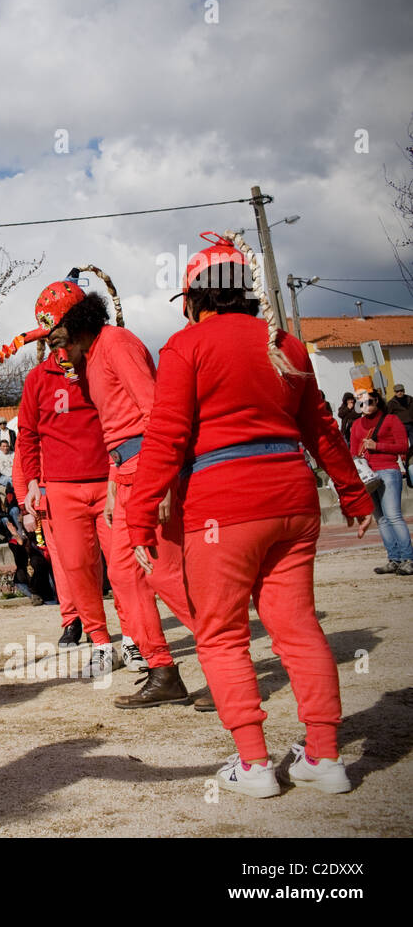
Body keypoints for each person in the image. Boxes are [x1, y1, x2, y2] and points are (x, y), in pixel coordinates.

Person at [128, 230, 374, 798]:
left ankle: (255, 765)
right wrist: (353, 493)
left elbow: (165, 439)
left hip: (222, 503)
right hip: (293, 494)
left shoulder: (185, 347)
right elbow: (320, 427)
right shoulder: (284, 345)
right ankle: (325, 756)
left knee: (221, 634)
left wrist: (139, 517)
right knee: (298, 625)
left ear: (194, 299)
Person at [38, 272, 199, 705]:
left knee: (164, 573)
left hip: (149, 469)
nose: (55, 348)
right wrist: (114, 485)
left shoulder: (118, 344)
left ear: (76, 322)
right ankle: (162, 669)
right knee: (126, 576)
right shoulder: (91, 358)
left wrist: (162, 479)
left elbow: (155, 412)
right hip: (125, 474)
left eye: (57, 337)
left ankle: (225, 656)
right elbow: (115, 432)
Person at [10, 341, 119, 669]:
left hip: (89, 486)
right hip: (46, 498)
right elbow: (21, 458)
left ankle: (126, 631)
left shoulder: (87, 382)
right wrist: (25, 504)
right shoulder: (37, 403)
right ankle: (73, 621)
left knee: (111, 561)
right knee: (64, 561)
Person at [349, 390, 413, 573]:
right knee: (381, 519)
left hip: (388, 471)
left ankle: (408, 558)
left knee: (393, 516)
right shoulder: (356, 425)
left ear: (376, 400)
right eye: (361, 402)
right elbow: (353, 451)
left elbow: (403, 446)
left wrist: (377, 446)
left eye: (369, 401)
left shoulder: (391, 420)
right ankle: (394, 559)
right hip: (367, 475)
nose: (365, 405)